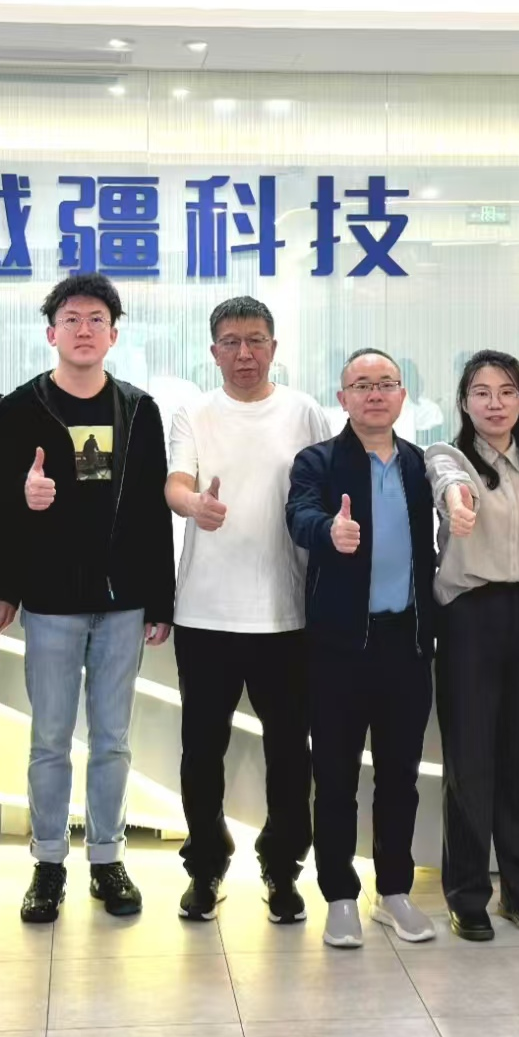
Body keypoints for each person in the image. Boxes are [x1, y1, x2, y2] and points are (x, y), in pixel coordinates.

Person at [0, 274, 174, 924]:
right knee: (49, 739)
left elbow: (152, 509)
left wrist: (159, 600)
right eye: (72, 319)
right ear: (51, 333)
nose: (84, 329)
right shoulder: (21, 409)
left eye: (97, 319)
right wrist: (22, 499)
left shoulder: (139, 410)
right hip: (50, 602)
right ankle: (47, 865)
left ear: (114, 335)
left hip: (122, 603)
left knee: (113, 740)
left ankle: (106, 859)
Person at [164, 297, 330, 924]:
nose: (244, 353)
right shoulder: (195, 412)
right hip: (204, 613)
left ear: (274, 348)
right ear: (214, 351)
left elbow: (327, 488)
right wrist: (193, 506)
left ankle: (282, 869)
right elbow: (176, 482)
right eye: (231, 342)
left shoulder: (304, 411)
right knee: (200, 752)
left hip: (285, 613)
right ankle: (205, 867)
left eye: (255, 340)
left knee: (289, 754)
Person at [287, 348, 441, 949]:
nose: (375, 394)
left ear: (402, 395)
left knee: (400, 776)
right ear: (343, 397)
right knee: (335, 777)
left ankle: (394, 891)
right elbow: (299, 514)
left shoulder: (420, 464)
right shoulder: (319, 461)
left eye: (386, 384)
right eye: (362, 385)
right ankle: (340, 896)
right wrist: (329, 529)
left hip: (408, 643)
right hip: (339, 647)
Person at [425, 350, 519, 942]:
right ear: (464, 402)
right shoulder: (446, 454)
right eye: (481, 393)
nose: (495, 404)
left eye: (506, 392)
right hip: (470, 615)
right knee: (470, 762)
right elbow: (449, 485)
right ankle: (467, 895)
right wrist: (459, 505)